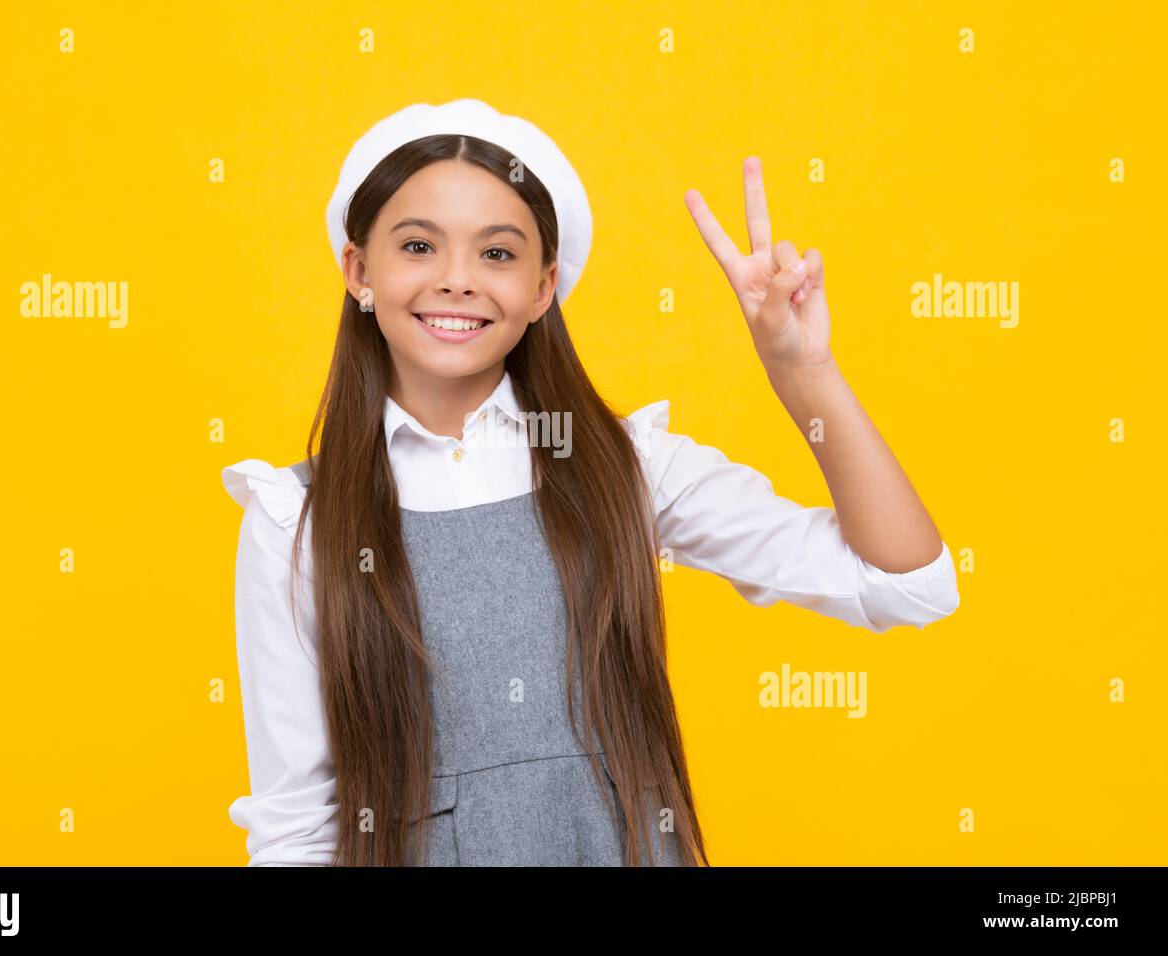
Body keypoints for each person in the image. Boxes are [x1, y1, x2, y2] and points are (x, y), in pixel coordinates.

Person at [221, 98, 960, 867]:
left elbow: (909, 584)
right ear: (358, 270)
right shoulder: (292, 521)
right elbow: (297, 832)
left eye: (498, 255)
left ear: (544, 289)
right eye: (418, 245)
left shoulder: (625, 468)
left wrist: (803, 371)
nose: (458, 281)